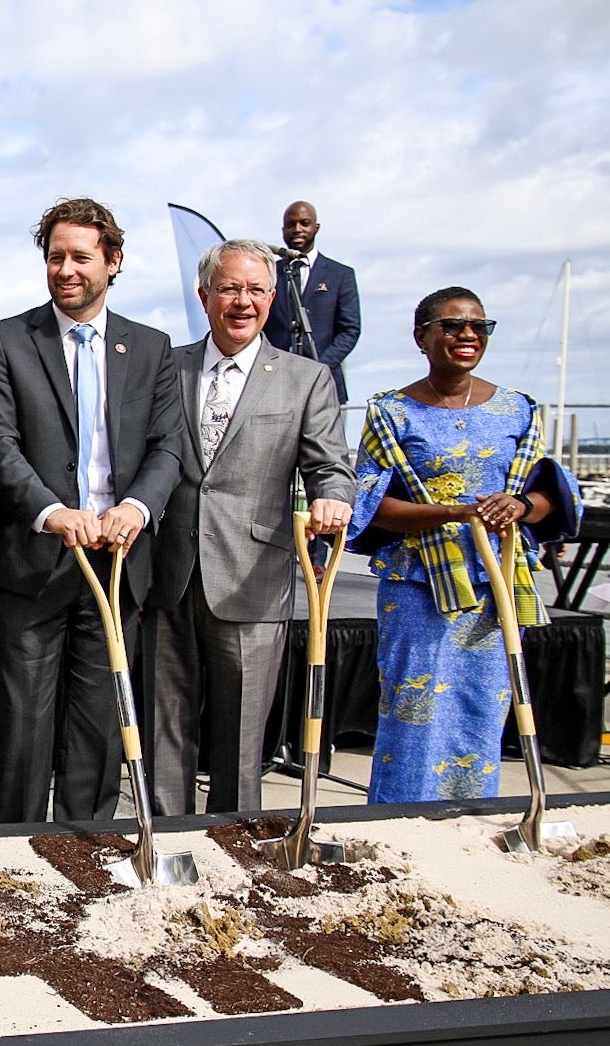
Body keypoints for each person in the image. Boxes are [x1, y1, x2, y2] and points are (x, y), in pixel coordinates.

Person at [0, 197, 180, 824]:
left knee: (98, 727)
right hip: (35, 561)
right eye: (55, 256)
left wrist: (138, 507)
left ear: (112, 263)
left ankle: (86, 848)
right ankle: (16, 853)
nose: (66, 269)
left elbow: (169, 445)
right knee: (25, 728)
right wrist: (51, 512)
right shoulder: (6, 340)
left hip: (119, 564)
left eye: (81, 257)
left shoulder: (151, 348)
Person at [144, 239, 354, 816]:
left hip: (253, 578)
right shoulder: (167, 366)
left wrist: (332, 499)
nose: (243, 301)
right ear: (204, 295)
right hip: (168, 574)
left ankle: (234, 841)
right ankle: (168, 841)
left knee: (240, 739)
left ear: (271, 300)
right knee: (166, 727)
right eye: (230, 288)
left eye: (257, 290)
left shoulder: (306, 379)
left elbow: (330, 467)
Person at [348, 287, 581, 804]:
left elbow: (550, 493)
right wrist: (454, 512)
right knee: (414, 705)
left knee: (482, 706)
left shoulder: (516, 410)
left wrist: (519, 507)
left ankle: (470, 820)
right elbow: (371, 506)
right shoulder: (392, 412)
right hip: (417, 585)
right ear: (422, 337)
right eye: (452, 326)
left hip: (492, 581)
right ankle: (399, 825)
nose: (468, 335)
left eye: (479, 326)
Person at [266, 201, 360, 402]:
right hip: (277, 383)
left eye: (304, 223)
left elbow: (350, 329)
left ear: (316, 227)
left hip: (325, 384)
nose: (297, 229)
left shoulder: (340, 275)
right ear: (283, 230)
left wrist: (320, 368)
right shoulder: (267, 274)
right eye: (291, 224)